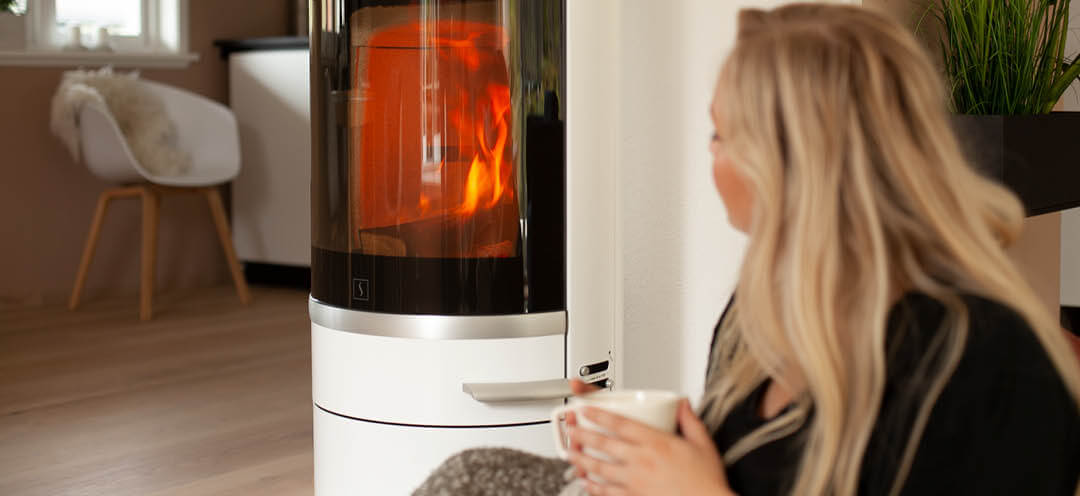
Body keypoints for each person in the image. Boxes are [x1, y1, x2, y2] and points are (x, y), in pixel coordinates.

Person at [562, 3, 1080, 496]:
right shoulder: (756, 318)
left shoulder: (991, 368)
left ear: (791, 165)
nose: (710, 154)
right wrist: (648, 462)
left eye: (721, 133)